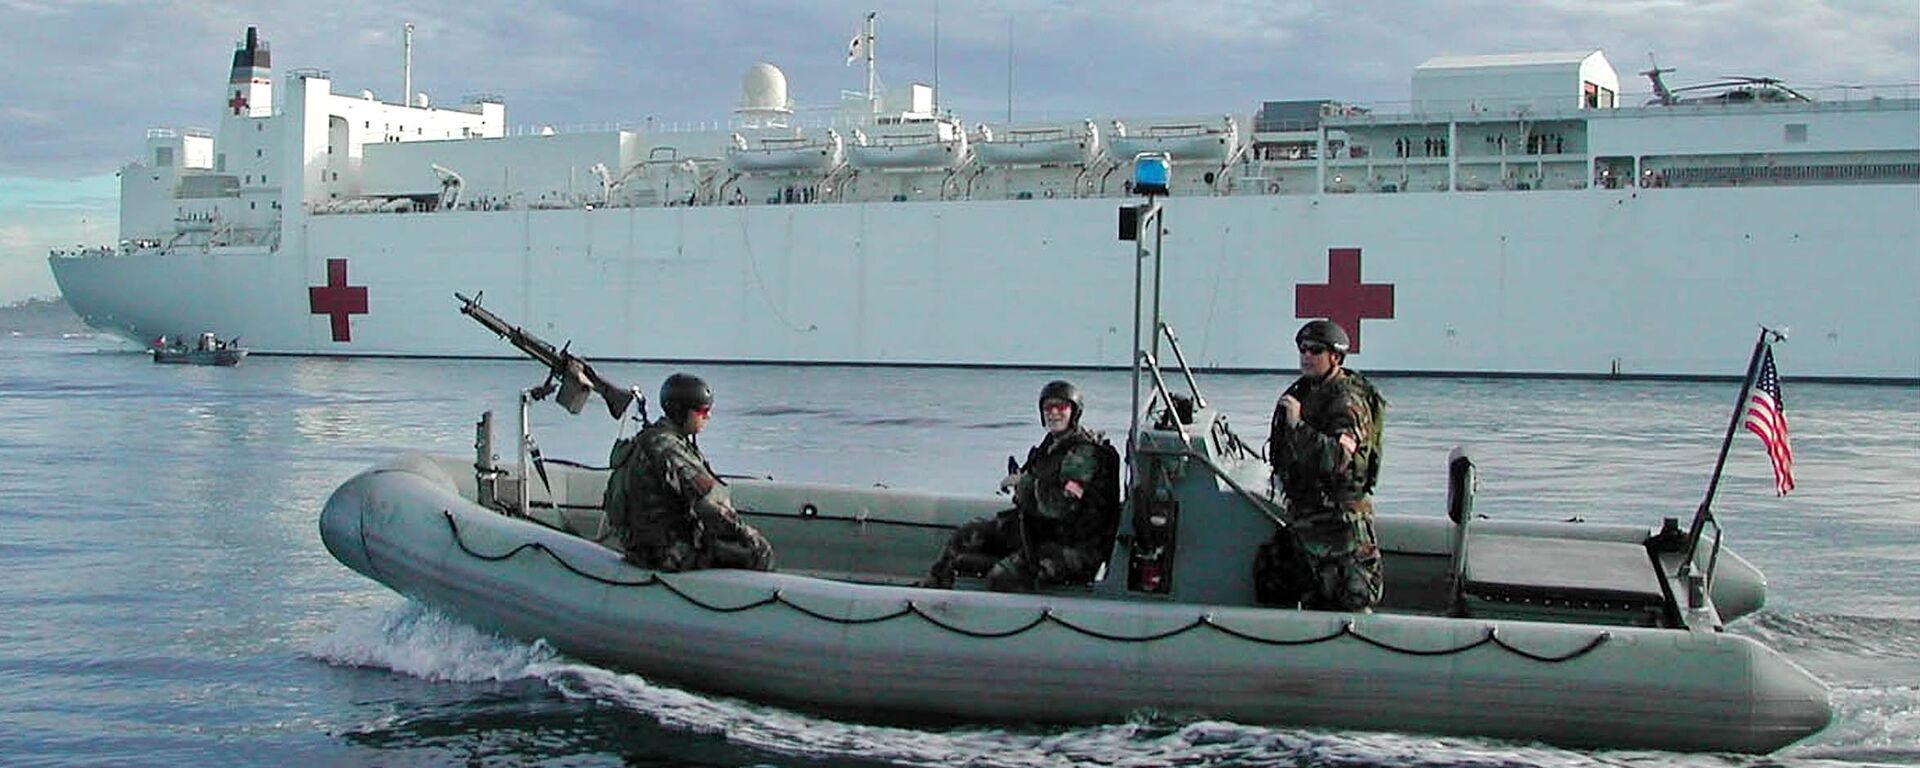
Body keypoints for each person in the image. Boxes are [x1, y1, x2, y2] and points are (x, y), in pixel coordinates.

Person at [922, 380, 1121, 591]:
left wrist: (1024, 483)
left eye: (1061, 407)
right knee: (968, 533)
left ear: (1074, 412)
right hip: (1042, 532)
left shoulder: (1083, 455)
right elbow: (1032, 497)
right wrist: (1021, 484)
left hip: (1076, 547)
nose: (1054, 413)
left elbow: (1060, 506)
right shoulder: (1050, 447)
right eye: (1048, 407)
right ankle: (931, 590)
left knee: (1002, 576)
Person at [1260, 319, 1386, 611]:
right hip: (1308, 521)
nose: (1306, 356)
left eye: (1315, 350)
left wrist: (1298, 425)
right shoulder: (1308, 392)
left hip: (1338, 527)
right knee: (1272, 579)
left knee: (1347, 599)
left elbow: (1339, 459)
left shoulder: (1347, 401)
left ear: (1335, 357)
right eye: (1303, 349)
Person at [604, 373, 774, 572]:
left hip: (642, 549)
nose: (707, 416)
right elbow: (710, 506)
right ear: (681, 412)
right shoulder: (669, 449)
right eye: (702, 411)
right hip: (667, 554)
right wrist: (749, 536)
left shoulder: (650, 438)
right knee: (759, 554)